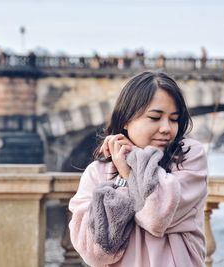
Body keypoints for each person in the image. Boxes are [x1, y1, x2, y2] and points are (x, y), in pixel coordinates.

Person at [68, 71, 208, 267]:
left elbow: (157, 216)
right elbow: (96, 253)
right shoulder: (97, 172)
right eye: (154, 117)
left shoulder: (188, 158)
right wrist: (125, 180)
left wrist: (130, 167)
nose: (167, 128)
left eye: (174, 119)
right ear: (126, 119)